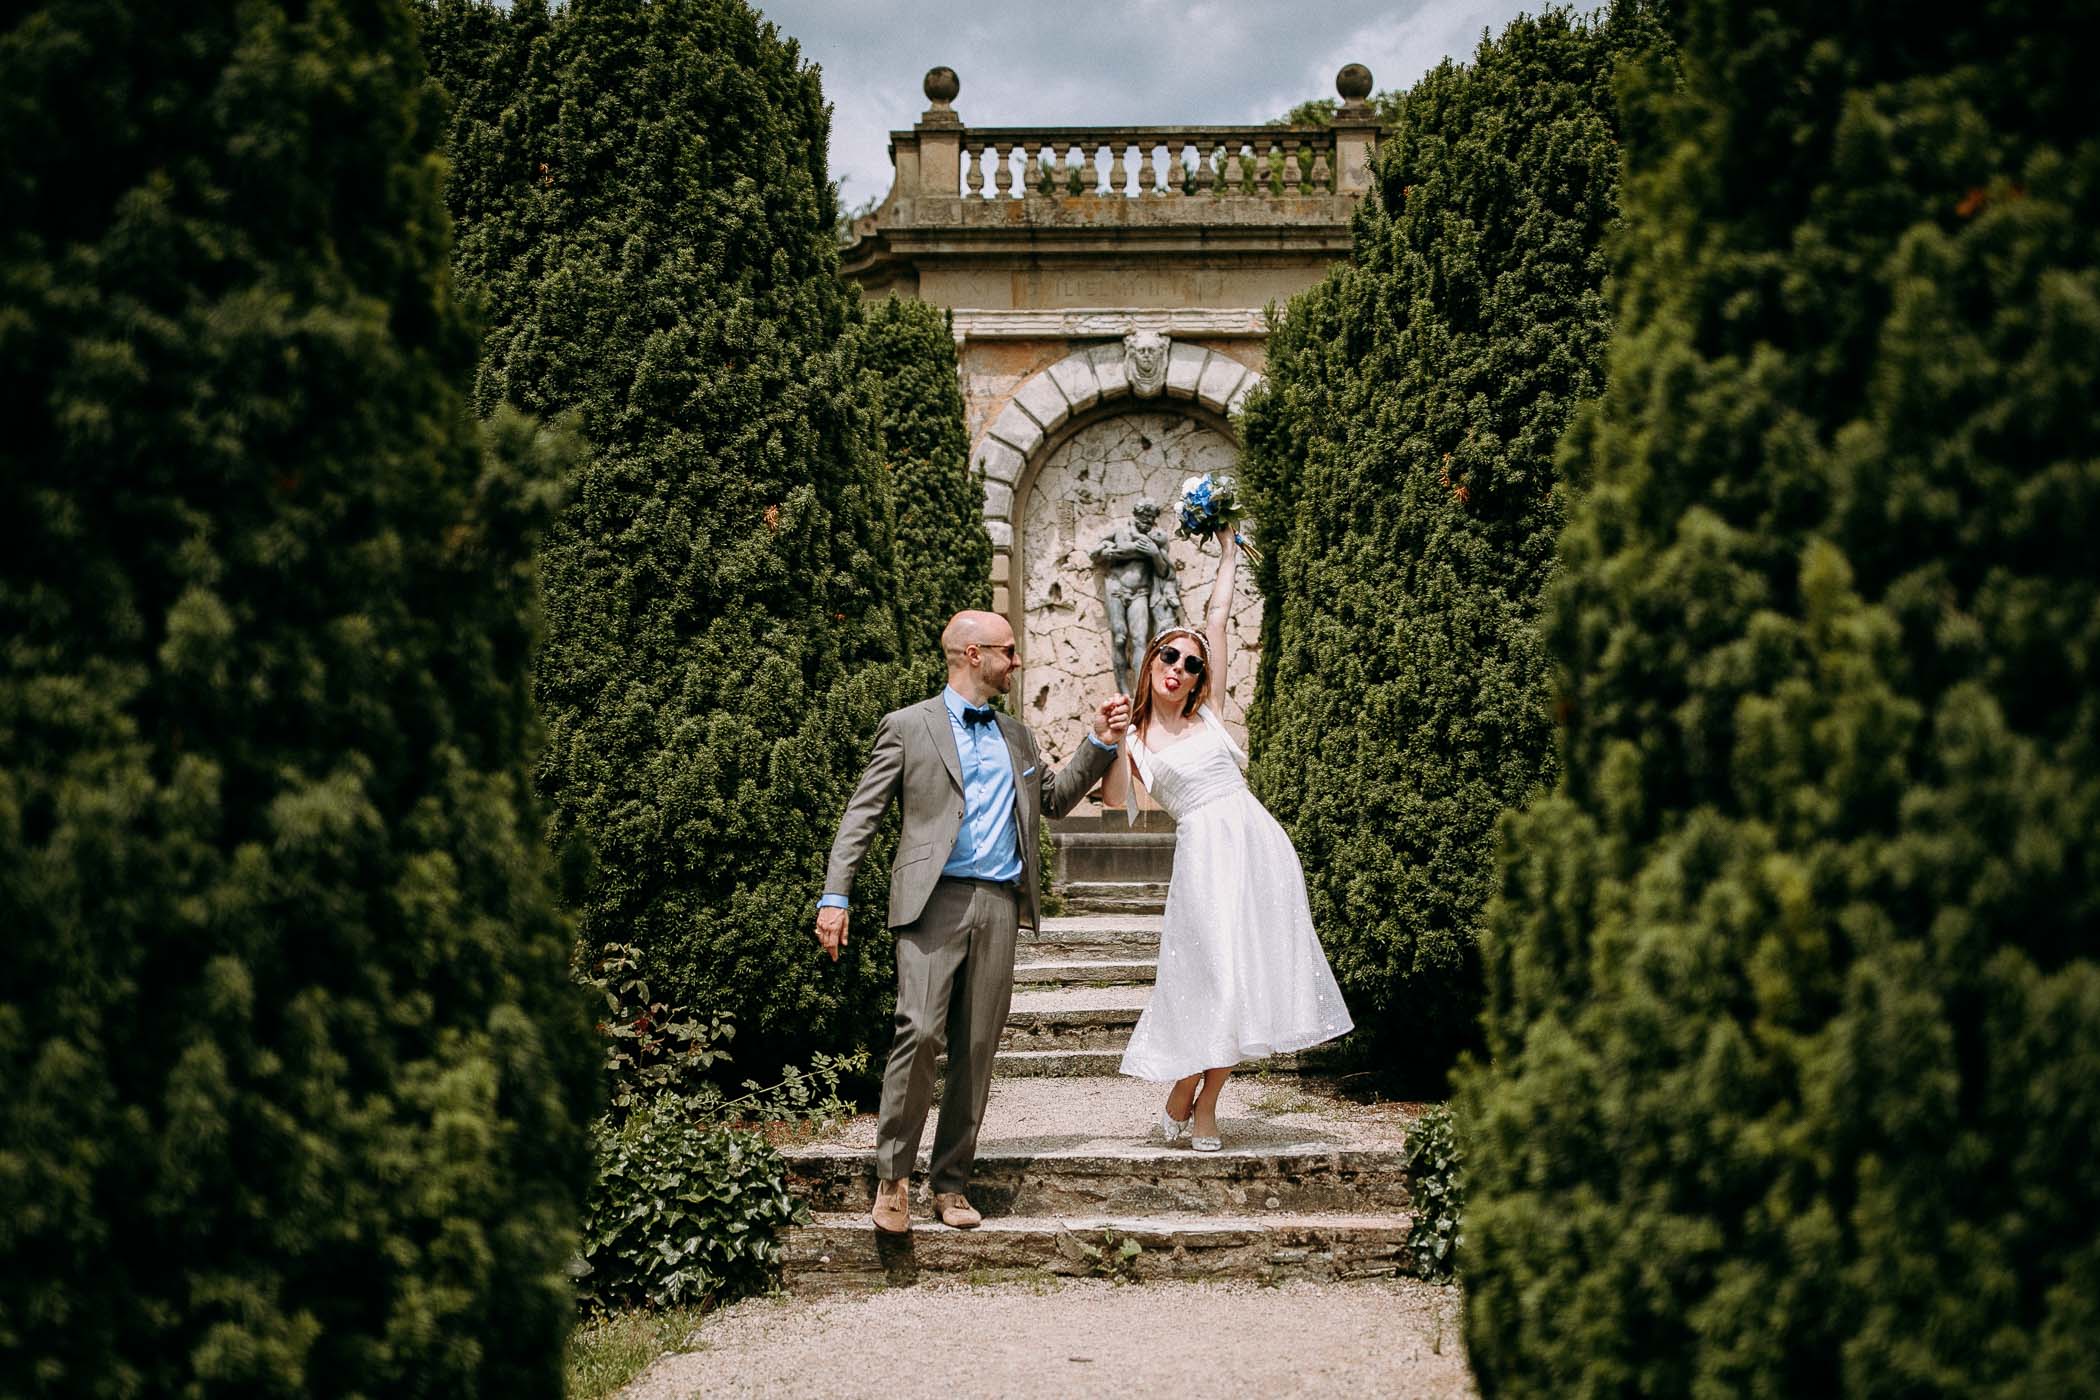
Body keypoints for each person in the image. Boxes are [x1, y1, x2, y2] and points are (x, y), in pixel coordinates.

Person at [818, 610, 1128, 1232]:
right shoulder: (908, 727)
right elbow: (862, 816)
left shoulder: (1019, 737)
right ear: (970, 654)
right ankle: (893, 1179)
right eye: (1007, 652)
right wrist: (836, 895)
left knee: (977, 1047)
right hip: (932, 902)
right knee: (920, 1032)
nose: (1016, 662)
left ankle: (951, 1182)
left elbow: (1056, 802)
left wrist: (1098, 741)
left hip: (998, 904)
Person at [1100, 532, 1353, 1150]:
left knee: (1247, 977)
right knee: (1217, 978)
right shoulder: (1133, 738)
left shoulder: (1206, 714)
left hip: (1257, 845)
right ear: (1150, 665)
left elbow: (1215, 618)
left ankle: (1202, 1100)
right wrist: (1109, 741)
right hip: (1203, 859)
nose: (1181, 670)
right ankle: (1184, 1086)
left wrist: (1228, 555)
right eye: (1170, 659)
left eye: (1191, 664)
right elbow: (1112, 801)